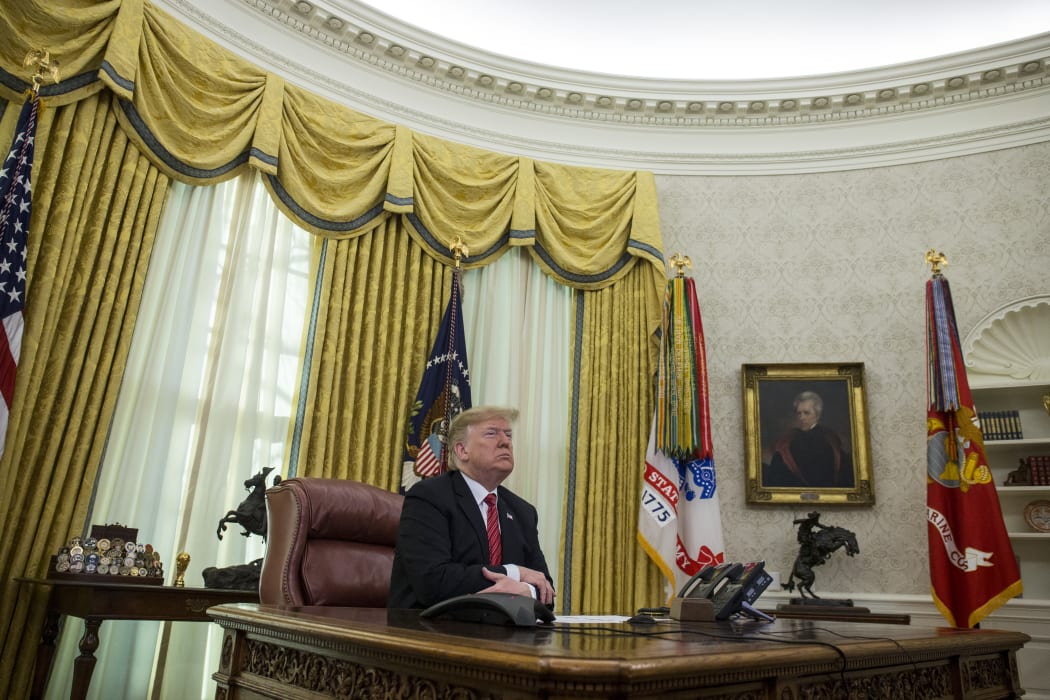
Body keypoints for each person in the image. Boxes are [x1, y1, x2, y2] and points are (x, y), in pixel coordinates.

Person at [388, 405, 556, 609]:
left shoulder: (523, 512)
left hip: (500, 634)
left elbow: (546, 589)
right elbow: (433, 582)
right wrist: (515, 573)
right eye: (492, 433)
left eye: (509, 435)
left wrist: (527, 591)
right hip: (432, 632)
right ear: (462, 450)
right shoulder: (429, 497)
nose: (505, 442)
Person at [763, 391, 854, 488]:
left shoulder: (830, 439)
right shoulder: (788, 439)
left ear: (817, 415)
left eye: (806, 413)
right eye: (799, 413)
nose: (801, 417)